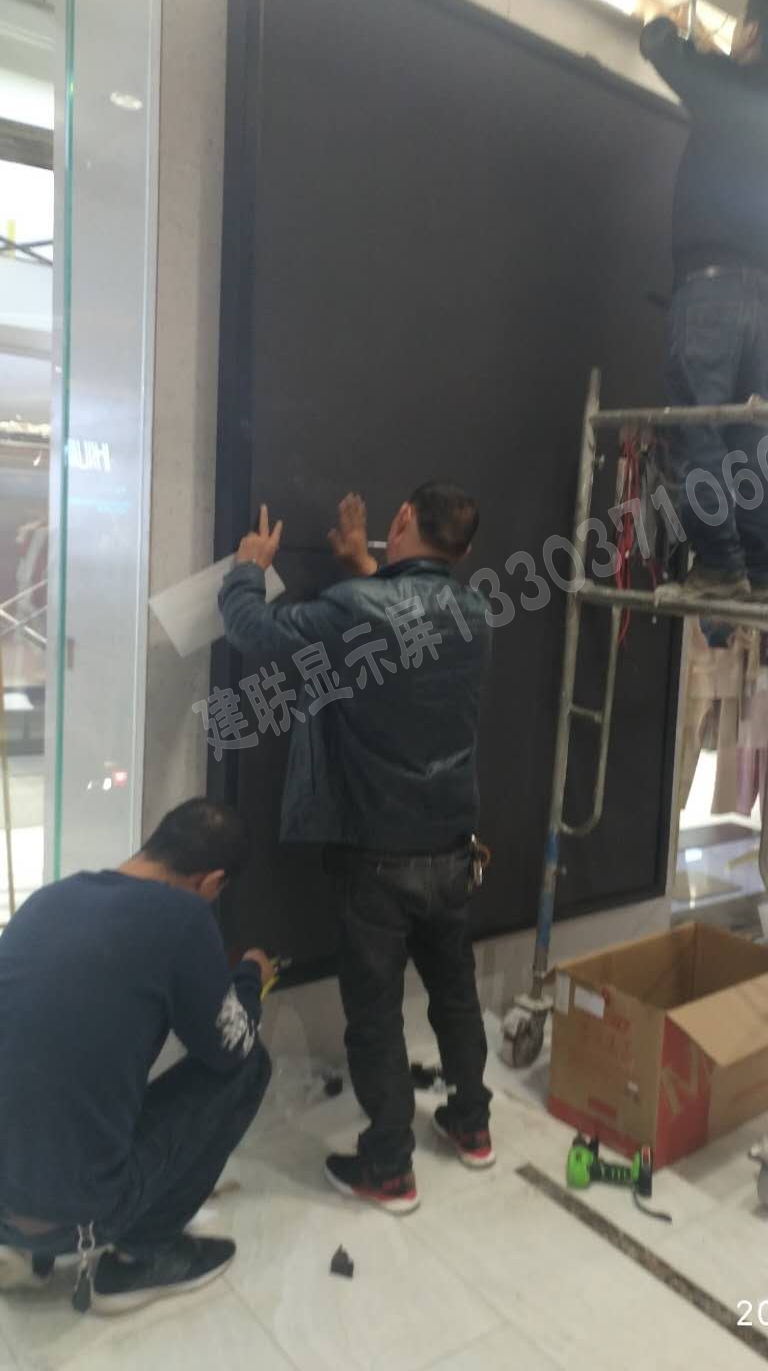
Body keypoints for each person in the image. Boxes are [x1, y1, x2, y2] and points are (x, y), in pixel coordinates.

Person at [219, 484, 494, 1216]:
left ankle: (389, 1167)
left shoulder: (354, 609)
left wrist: (249, 567)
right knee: (456, 993)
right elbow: (407, 631)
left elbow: (251, 630)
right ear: (464, 551)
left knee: (375, 1015)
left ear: (400, 520)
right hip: (452, 852)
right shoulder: (475, 613)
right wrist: (364, 569)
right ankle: (472, 1124)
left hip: (377, 858)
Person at [0, 799, 273, 1315]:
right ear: (212, 881)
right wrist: (249, 976)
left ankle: (28, 1242)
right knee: (251, 1065)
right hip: (76, 1216)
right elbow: (231, 1047)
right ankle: (141, 1256)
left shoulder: (52, 898)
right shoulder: (184, 917)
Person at [642, 0, 768, 602]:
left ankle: (718, 565)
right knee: (750, 438)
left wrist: (670, 22)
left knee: (700, 430)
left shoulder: (727, 93)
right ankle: (767, 572)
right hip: (762, 299)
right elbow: (730, 82)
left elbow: (658, 44)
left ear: (753, 30)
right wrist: (718, 52)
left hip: (711, 291)